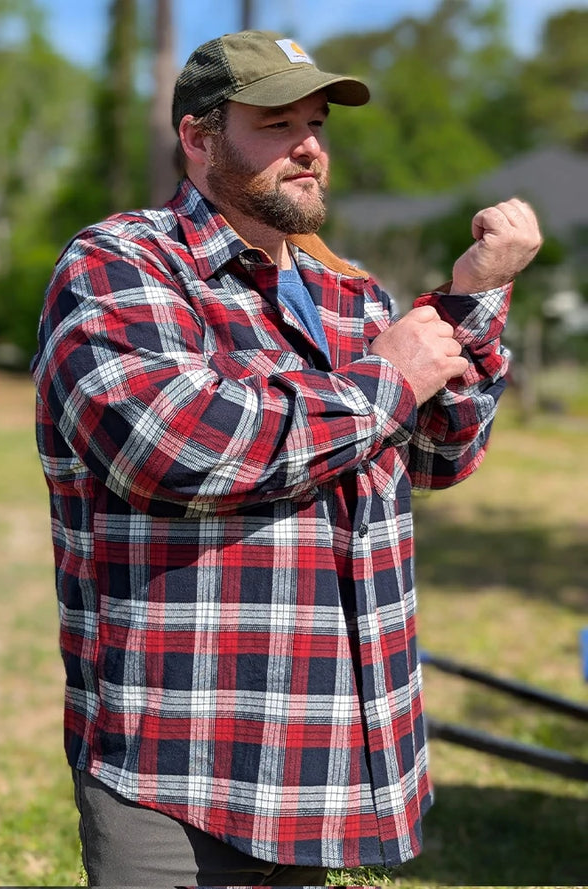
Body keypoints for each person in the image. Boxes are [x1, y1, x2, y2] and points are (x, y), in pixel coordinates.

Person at [32, 29, 542, 888]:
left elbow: (437, 453)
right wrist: (387, 379)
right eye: (276, 124)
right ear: (199, 138)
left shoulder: (352, 293)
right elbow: (177, 444)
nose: (310, 146)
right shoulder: (122, 263)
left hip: (323, 759)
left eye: (317, 123)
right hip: (178, 764)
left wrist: (474, 294)